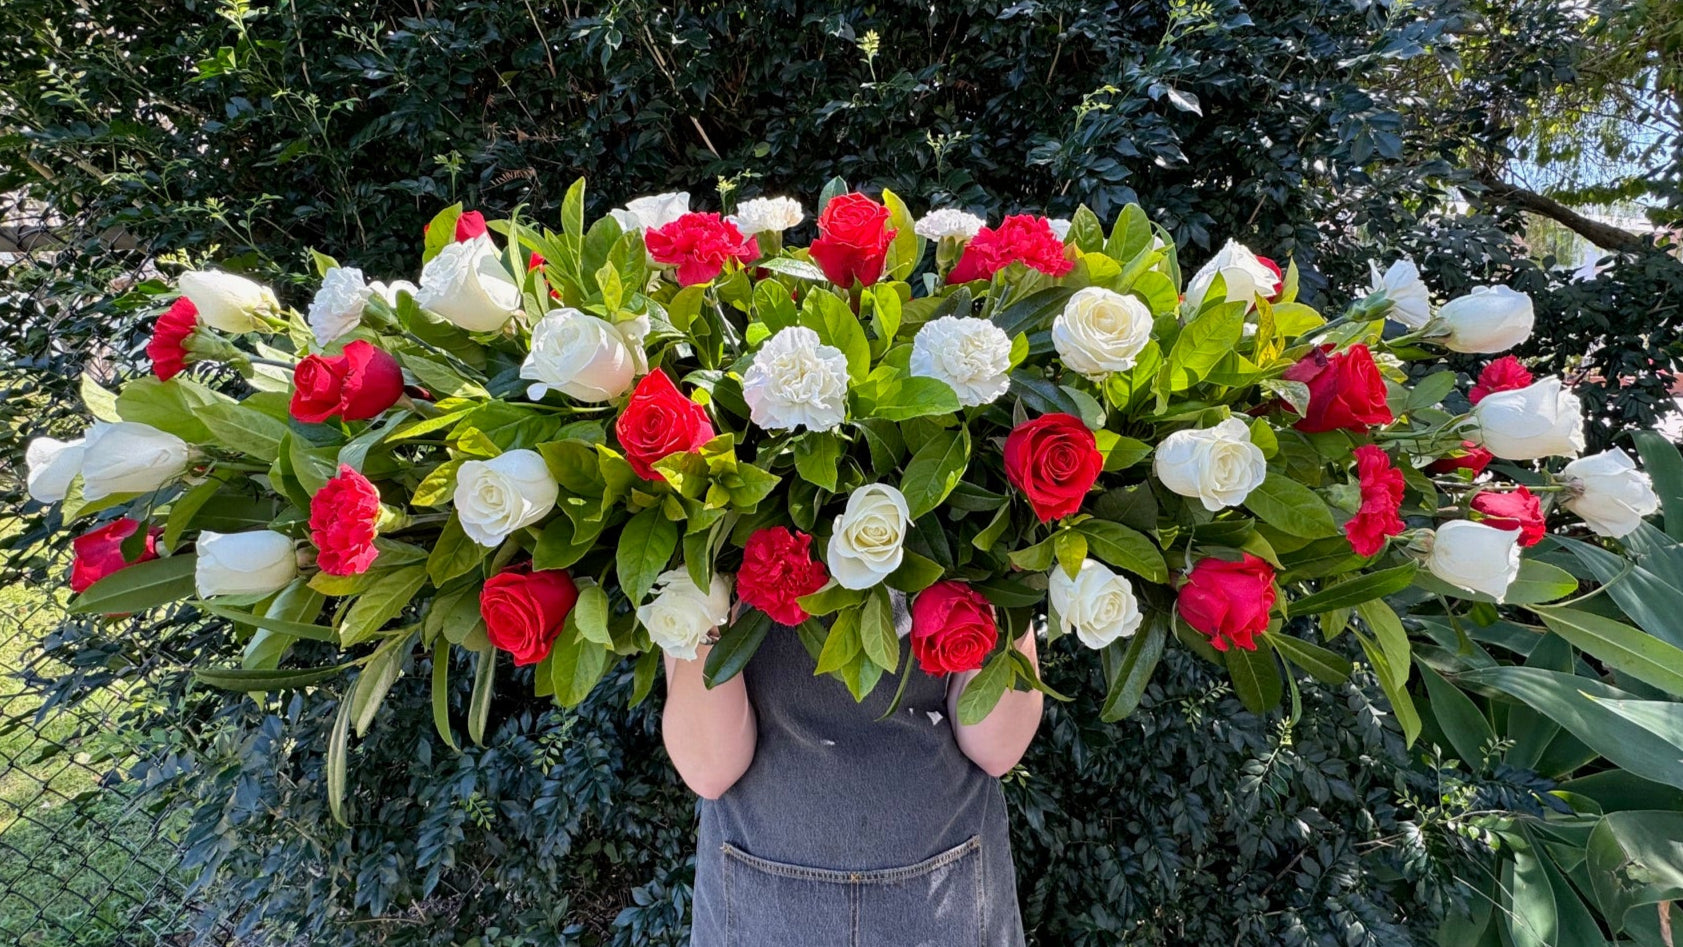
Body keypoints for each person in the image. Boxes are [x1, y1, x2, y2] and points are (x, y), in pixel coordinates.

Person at [664, 592, 1042, 947]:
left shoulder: (964, 527)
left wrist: (1009, 585)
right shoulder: (711, 540)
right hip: (765, 908)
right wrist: (710, 597)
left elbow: (995, 749)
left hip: (940, 899)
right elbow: (710, 767)